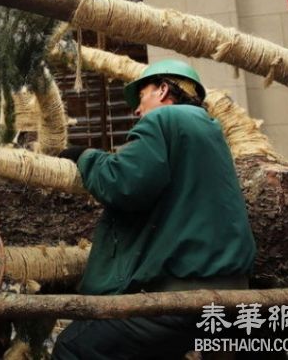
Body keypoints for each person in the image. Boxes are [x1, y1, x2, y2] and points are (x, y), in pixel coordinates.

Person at [53, 59, 256, 360]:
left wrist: (86, 157)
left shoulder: (166, 120)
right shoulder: (212, 134)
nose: (136, 110)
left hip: (185, 298)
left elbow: (124, 183)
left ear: (163, 90)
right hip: (233, 293)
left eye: (142, 96)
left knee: (73, 347)